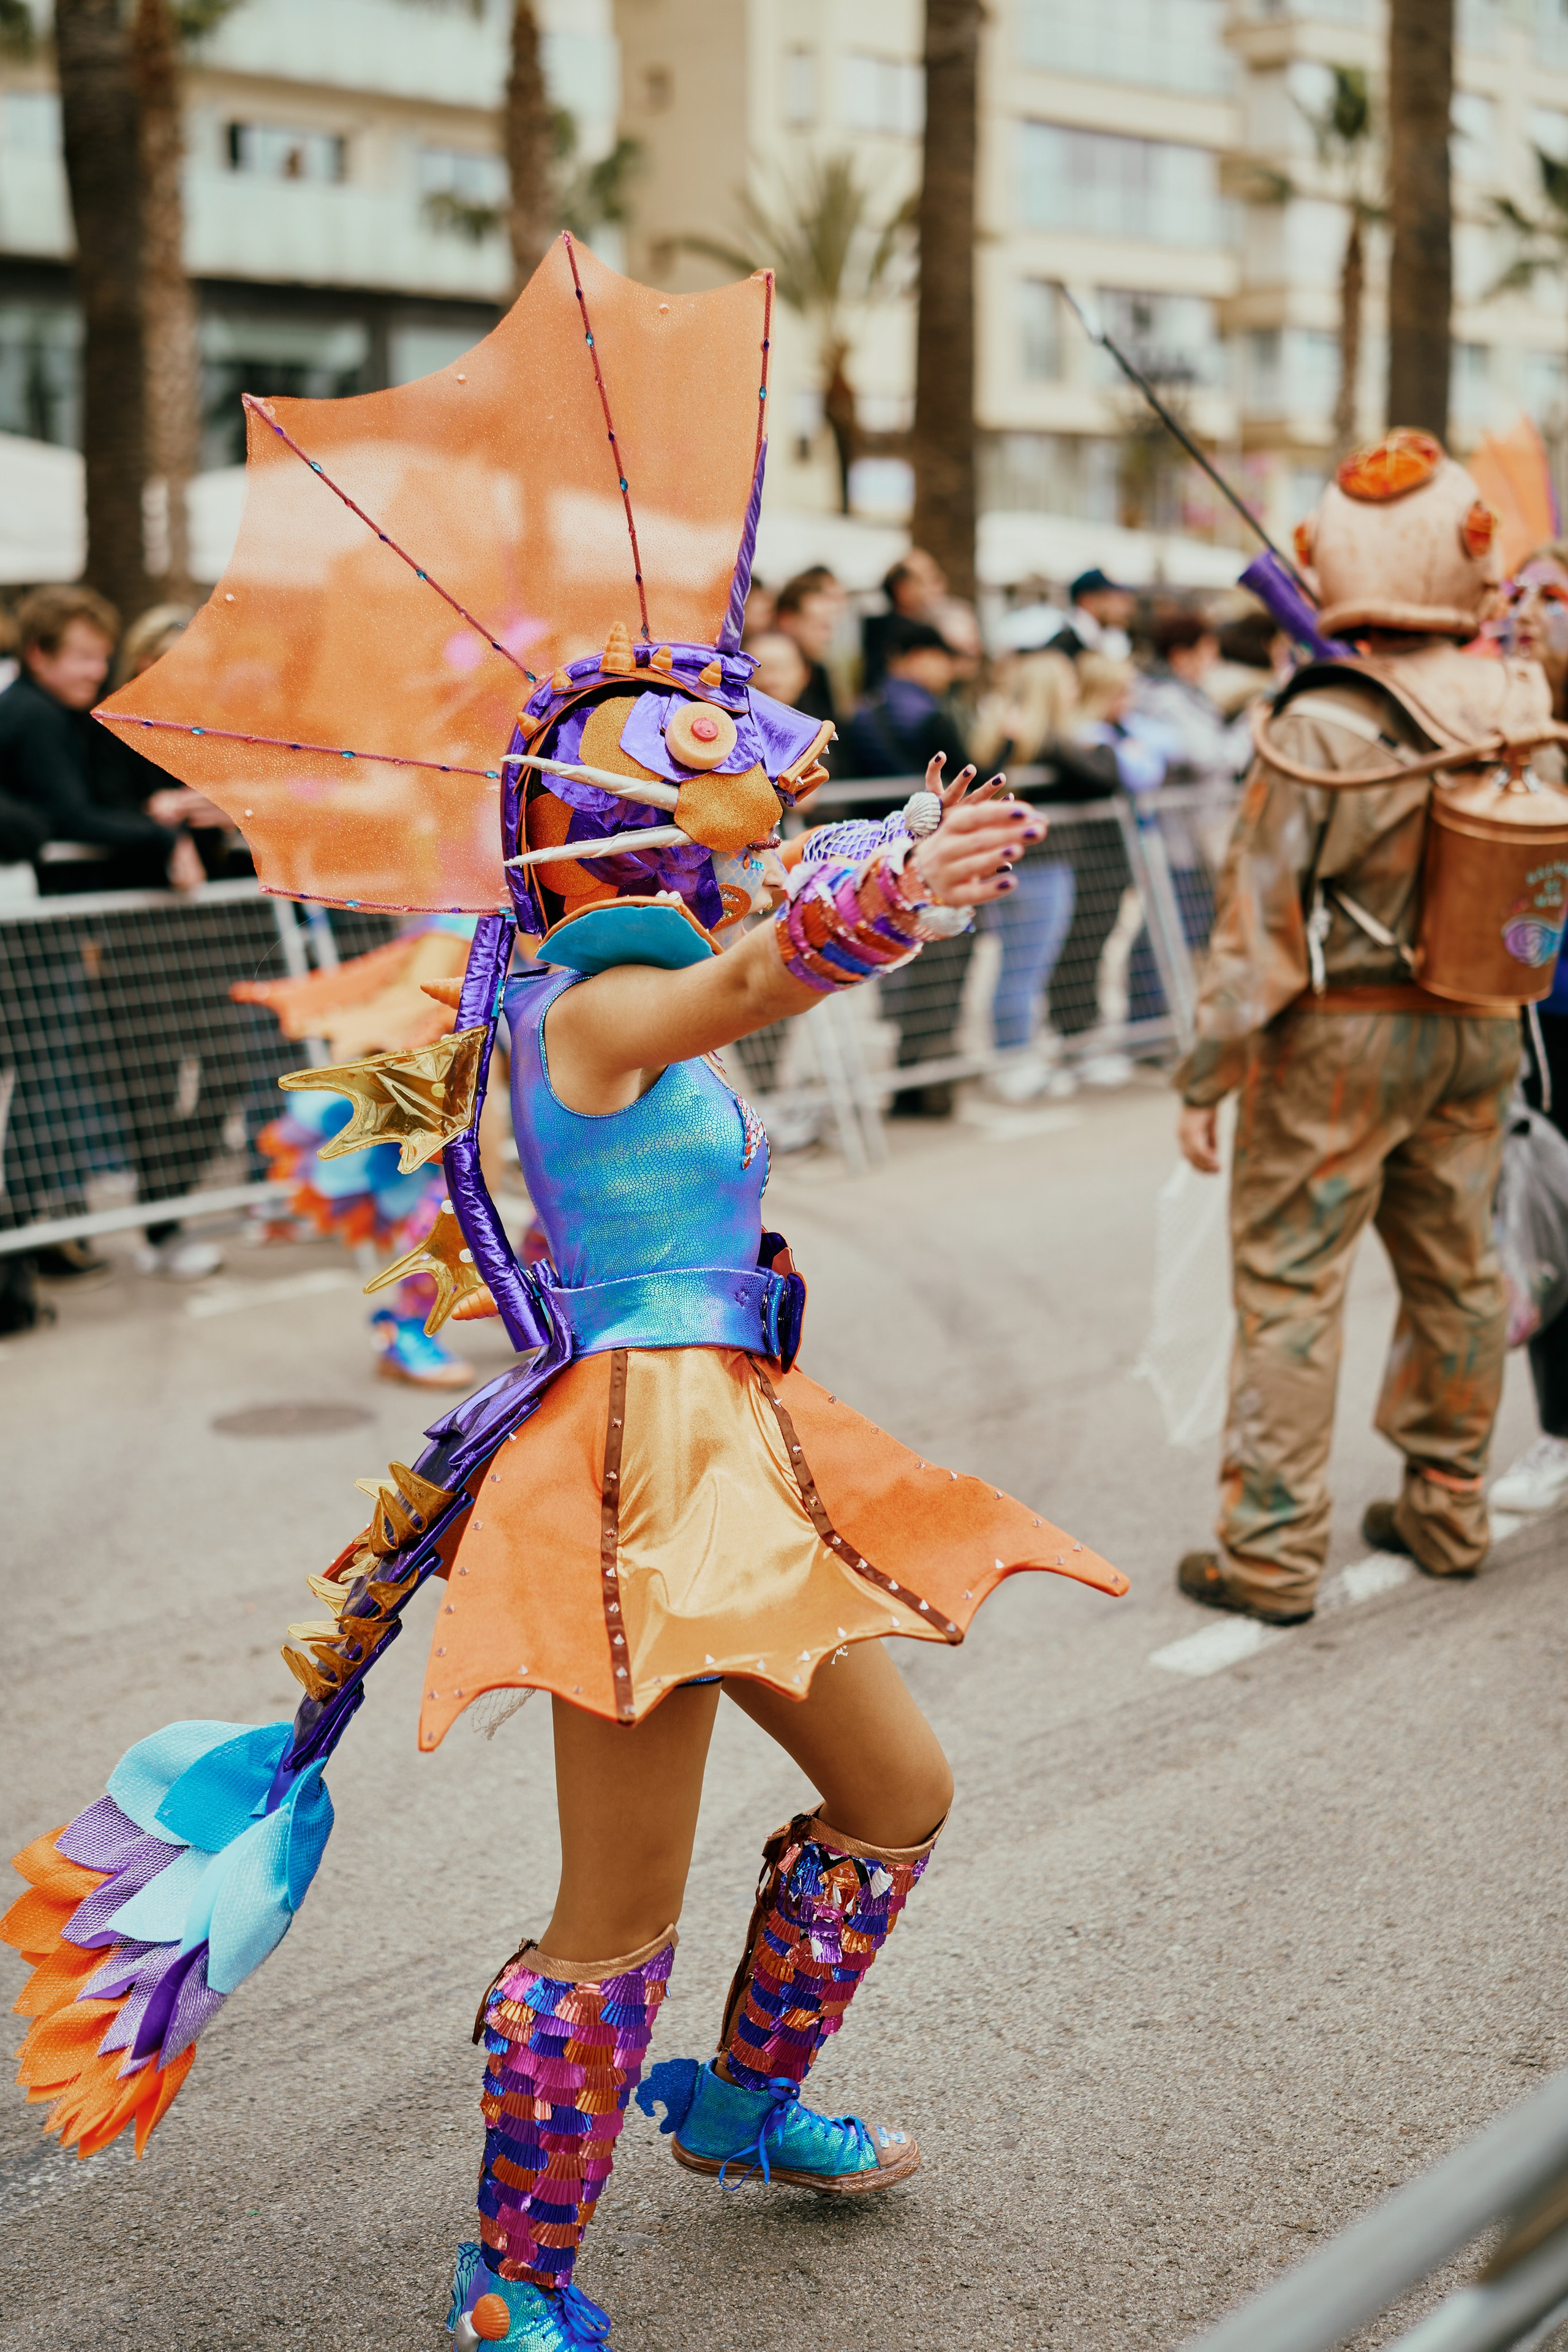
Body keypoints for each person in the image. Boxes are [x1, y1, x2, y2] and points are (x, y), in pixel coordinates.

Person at [2, 261, 1129, 2352]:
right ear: (629, 823)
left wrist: (870, 851)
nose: (752, 809)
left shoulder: (617, 976)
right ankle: (509, 2268)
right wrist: (870, 898)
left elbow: (758, 940)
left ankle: (741, 2099)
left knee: (900, 1798)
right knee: (617, 1907)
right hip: (638, 1480)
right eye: (716, 784)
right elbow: (745, 972)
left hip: (739, 1446)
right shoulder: (596, 1000)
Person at [1174, 429, 1548, 1624]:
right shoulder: (1516, 691)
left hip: (1337, 1039)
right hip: (1479, 1017)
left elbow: (1258, 920)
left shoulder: (1319, 715)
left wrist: (1205, 1073)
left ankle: (1270, 1555)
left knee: (1289, 1285)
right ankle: (1447, 1506)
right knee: (1455, 1271)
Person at [233, 918, 486, 1390]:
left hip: (516, 1013)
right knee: (459, 1195)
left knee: (542, 1174)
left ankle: (522, 1302)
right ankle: (405, 1327)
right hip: (451, 1032)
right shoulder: (457, 925)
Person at [1488, 543, 1568, 1515]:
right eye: (1515, 595)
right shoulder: (1500, 729)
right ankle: (1559, 1431)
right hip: (1543, 1012)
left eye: (1546, 597)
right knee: (1551, 1221)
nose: (1525, 612)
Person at [842, 616, 974, 1112]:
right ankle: (930, 1086)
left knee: (898, 962)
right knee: (942, 969)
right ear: (914, 657)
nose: (947, 668)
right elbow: (970, 783)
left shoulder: (863, 712)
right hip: (935, 861)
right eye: (940, 656)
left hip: (879, 857)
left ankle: (911, 1083)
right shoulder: (932, 716)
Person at [859, 546, 948, 692]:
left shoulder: (878, 627)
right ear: (902, 588)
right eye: (919, 582)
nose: (925, 590)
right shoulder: (898, 630)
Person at [769, 566, 843, 732]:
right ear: (787, 620)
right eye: (820, 627)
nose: (827, 638)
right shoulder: (762, 670)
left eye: (830, 628)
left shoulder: (818, 671)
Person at [1047, 567, 1136, 663]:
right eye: (1113, 598)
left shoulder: (1097, 644)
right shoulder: (1061, 654)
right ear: (1088, 601)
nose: (1125, 608)